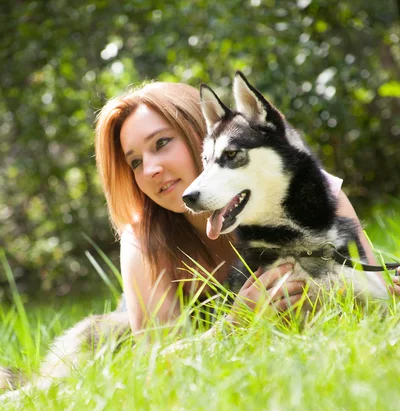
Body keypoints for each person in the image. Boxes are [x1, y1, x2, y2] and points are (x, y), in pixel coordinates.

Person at [94, 81, 397, 332]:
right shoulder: (144, 238)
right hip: (148, 322)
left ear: (203, 131)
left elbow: (377, 291)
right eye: (135, 162)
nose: (149, 170)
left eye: (161, 143)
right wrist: (237, 323)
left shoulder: (314, 192)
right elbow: (156, 361)